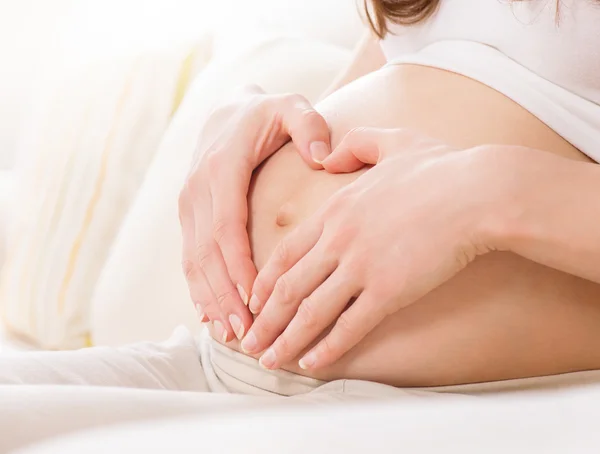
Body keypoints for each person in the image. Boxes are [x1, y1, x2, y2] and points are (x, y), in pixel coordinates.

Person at [2, 0, 600, 451]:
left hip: (443, 406)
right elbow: (392, 88)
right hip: (227, 368)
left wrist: (490, 191)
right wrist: (256, 127)